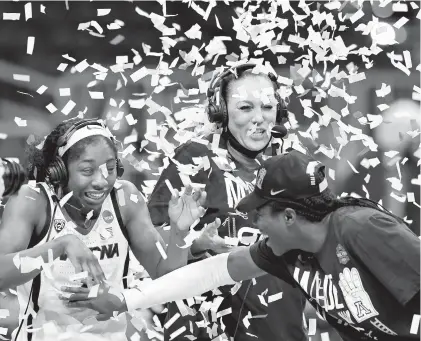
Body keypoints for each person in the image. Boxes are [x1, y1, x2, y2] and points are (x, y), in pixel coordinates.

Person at [95, 148, 420, 341]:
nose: (254, 221)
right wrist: (125, 300)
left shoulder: (360, 228)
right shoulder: (285, 250)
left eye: (261, 212)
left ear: (290, 216)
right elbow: (213, 273)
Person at [0, 118, 205, 341]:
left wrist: (179, 231)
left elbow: (167, 280)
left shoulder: (125, 198)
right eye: (87, 170)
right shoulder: (31, 200)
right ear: (59, 171)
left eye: (110, 169)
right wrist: (61, 245)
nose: (102, 181)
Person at [146, 64, 307, 341]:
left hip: (282, 330)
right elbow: (149, 250)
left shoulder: (294, 166)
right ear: (220, 112)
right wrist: (195, 244)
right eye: (245, 107)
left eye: (267, 107)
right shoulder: (195, 159)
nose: (259, 118)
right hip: (207, 330)